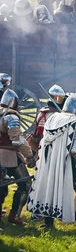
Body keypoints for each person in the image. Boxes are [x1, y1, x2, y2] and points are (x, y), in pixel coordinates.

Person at [27, 94, 76, 230]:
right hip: (69, 164)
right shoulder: (74, 122)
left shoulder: (52, 118)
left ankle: (48, 223)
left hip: (49, 163)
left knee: (50, 189)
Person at [0, 89, 34, 226]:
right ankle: (15, 216)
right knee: (25, 184)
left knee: (1, 187)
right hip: (9, 157)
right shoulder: (11, 117)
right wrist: (29, 155)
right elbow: (17, 140)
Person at [28, 84, 66, 156]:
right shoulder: (56, 115)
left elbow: (36, 134)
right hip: (53, 148)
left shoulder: (41, 113)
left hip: (41, 146)